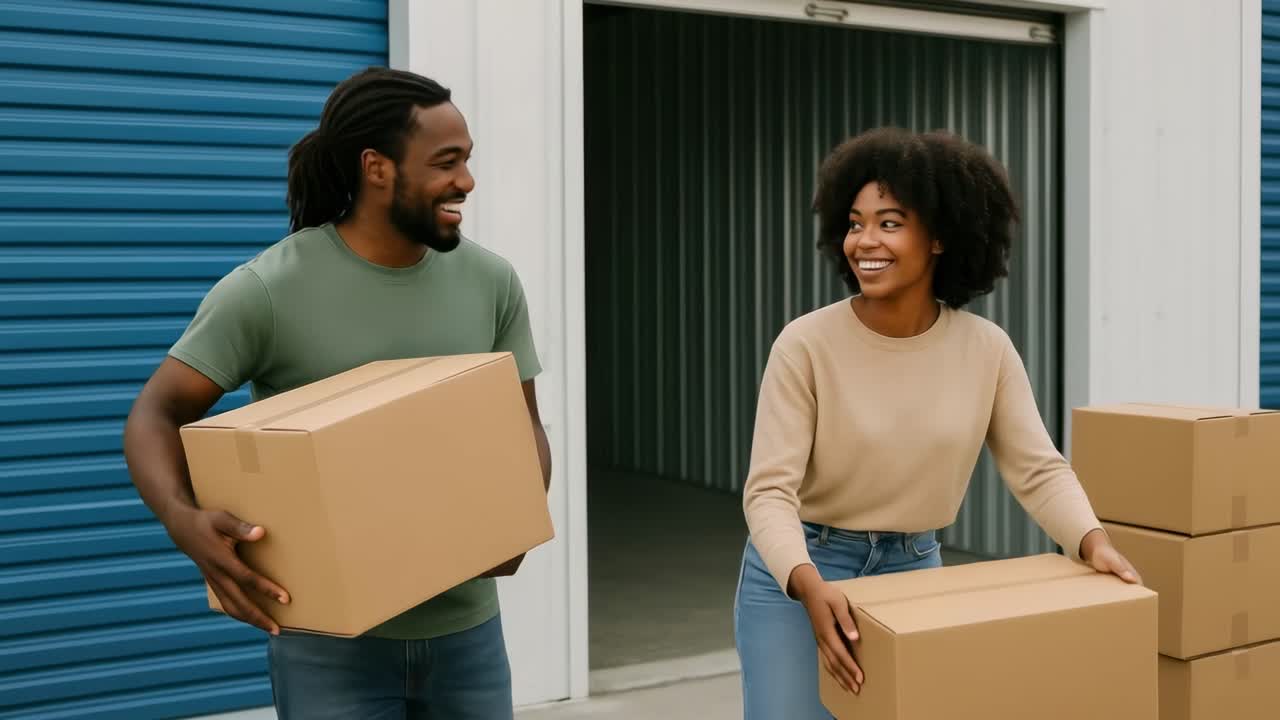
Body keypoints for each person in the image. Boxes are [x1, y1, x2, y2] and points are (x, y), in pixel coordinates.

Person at [123, 67, 550, 720]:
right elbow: (157, 412)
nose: (466, 181)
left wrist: (518, 515)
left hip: (468, 630)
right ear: (377, 168)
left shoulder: (491, 281)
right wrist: (184, 521)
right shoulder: (268, 290)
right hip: (329, 643)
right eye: (447, 162)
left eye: (467, 160)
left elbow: (527, 427)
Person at [732, 127, 1141, 718]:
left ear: (942, 238)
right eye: (854, 222)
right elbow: (769, 493)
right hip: (803, 572)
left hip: (914, 567)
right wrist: (808, 584)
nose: (864, 240)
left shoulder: (986, 349)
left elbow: (1039, 470)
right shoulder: (806, 344)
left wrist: (1092, 541)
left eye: (889, 223)